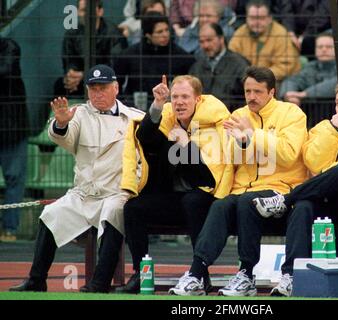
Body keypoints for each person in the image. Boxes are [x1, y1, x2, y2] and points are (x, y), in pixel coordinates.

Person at [168, 66, 308, 296]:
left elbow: (288, 153)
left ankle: (246, 274)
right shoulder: (238, 115)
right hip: (244, 188)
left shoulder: (292, 113)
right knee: (221, 205)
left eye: (258, 92)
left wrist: (253, 135)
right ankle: (195, 273)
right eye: (248, 91)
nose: (251, 97)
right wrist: (242, 143)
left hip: (280, 190)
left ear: (271, 92)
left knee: (245, 203)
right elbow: (230, 158)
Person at [9, 64, 145, 293]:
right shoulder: (79, 113)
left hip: (116, 193)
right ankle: (36, 279)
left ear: (116, 88)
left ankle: (99, 284)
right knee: (50, 214)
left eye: (103, 88)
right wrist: (61, 122)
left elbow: (144, 160)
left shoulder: (134, 118)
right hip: (83, 194)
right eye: (93, 89)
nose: (98, 93)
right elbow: (64, 138)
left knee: (113, 214)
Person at [252, 79, 338, 296]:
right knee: (303, 205)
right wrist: (333, 129)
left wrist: (325, 174)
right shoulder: (324, 127)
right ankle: (291, 275)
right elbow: (312, 162)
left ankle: (285, 199)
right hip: (323, 196)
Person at [116, 75, 232, 294]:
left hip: (208, 198)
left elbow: (207, 179)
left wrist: (186, 146)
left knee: (193, 200)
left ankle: (200, 275)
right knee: (133, 208)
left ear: (198, 100)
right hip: (173, 198)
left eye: (185, 97)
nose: (179, 102)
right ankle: (142, 274)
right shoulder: (168, 118)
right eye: (175, 97)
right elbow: (145, 138)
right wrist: (158, 104)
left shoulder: (215, 124)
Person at [114, 12, 194, 109]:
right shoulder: (130, 55)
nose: (165, 35)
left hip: (170, 109)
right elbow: (116, 84)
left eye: (166, 30)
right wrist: (126, 105)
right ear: (148, 35)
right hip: (136, 108)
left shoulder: (181, 57)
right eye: (159, 32)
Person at [53, 0, 127, 99]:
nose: (86, 14)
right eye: (83, 10)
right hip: (80, 81)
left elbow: (115, 66)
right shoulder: (71, 33)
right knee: (60, 85)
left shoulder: (114, 34)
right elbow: (69, 60)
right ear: (78, 12)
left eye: (89, 10)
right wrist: (72, 74)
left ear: (100, 11)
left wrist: (84, 75)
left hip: (105, 80)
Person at [0, 37, 29, 242]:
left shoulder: (9, 46)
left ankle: (10, 229)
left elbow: (6, 68)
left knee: (14, 178)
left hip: (13, 127)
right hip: (11, 124)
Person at [228, 0, 300, 82]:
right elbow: (231, 59)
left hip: (275, 81)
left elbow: (285, 67)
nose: (256, 22)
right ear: (246, 18)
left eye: (261, 18)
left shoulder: (281, 34)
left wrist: (259, 77)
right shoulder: (240, 33)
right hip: (247, 80)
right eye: (252, 18)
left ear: (269, 19)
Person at [189, 23, 250, 111]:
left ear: (221, 39)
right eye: (201, 42)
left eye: (209, 40)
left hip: (231, 120)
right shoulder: (196, 67)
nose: (205, 45)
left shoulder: (240, 65)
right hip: (201, 120)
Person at [278, 32, 337, 105]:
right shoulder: (310, 66)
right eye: (320, 47)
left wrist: (304, 94)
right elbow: (293, 80)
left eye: (329, 47)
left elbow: (337, 83)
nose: (324, 49)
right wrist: (289, 95)